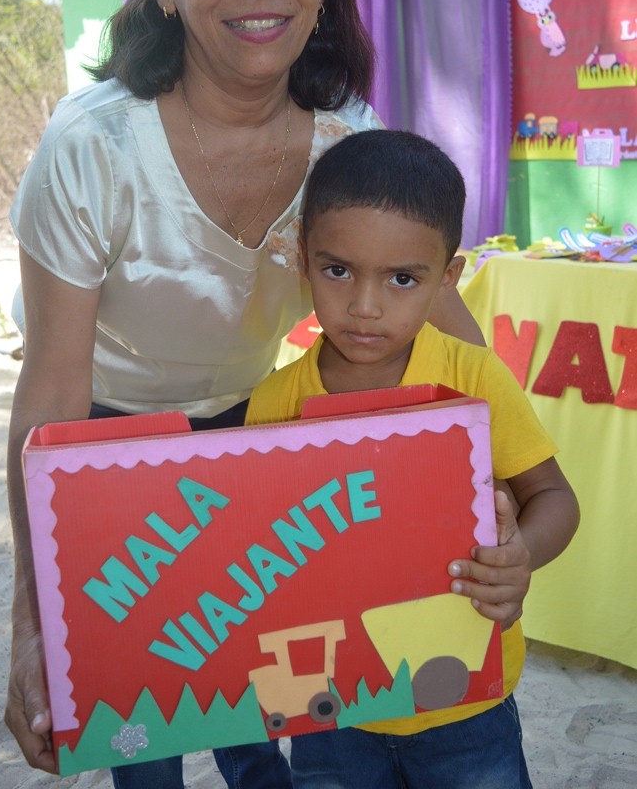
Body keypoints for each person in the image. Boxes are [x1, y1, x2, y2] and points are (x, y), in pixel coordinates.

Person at [4, 0, 484, 789]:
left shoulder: (347, 149)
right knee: (149, 742)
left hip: (247, 437)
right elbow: (51, 384)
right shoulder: (91, 149)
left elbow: (442, 323)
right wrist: (34, 619)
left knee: (267, 715)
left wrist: (494, 477)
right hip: (98, 452)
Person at [246, 129, 580, 789]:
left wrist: (519, 557)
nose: (365, 307)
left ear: (446, 278)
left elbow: (553, 497)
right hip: (328, 713)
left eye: (402, 279)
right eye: (337, 270)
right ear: (302, 260)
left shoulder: (472, 378)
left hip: (466, 707)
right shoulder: (275, 403)